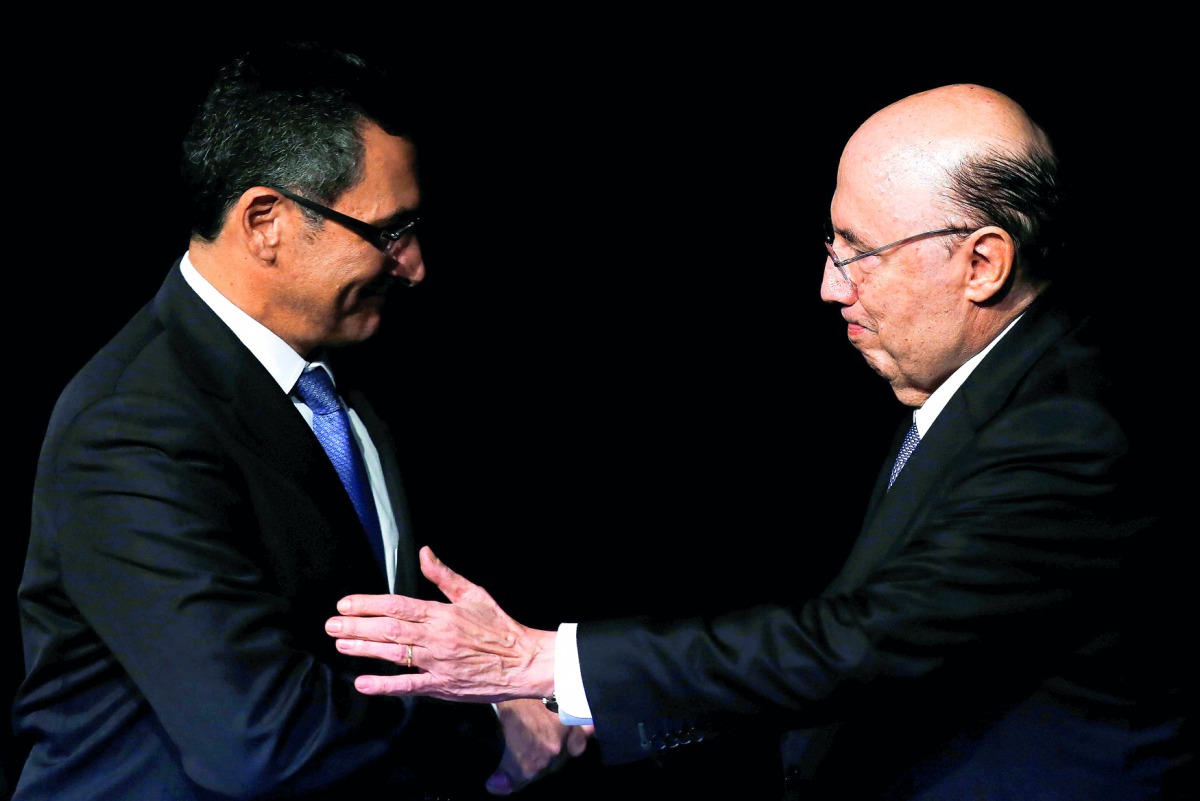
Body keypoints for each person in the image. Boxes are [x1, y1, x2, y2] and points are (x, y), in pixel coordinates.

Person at [323, 83, 1192, 800]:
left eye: (858, 251)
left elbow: (857, 644)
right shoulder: (994, 389)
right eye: (831, 242)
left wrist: (542, 658)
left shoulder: (1072, 430)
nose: (828, 285)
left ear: (982, 264)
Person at [11, 41, 588, 801]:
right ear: (265, 222)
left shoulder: (343, 380)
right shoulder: (132, 425)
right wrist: (489, 736)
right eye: (389, 232)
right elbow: (257, 738)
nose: (413, 265)